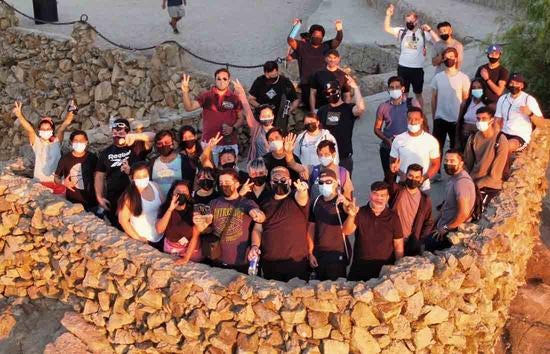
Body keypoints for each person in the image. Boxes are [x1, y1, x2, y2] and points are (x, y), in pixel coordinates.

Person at [249, 166, 310, 281]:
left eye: (283, 180)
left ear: (290, 181)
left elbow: (302, 198)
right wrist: (254, 246)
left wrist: (302, 191)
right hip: (270, 264)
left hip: (296, 263)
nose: (279, 182)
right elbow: (258, 229)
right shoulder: (265, 202)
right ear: (271, 182)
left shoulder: (295, 198)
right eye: (275, 180)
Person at [95, 118, 154, 228]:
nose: (117, 135)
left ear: (128, 132)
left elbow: (153, 137)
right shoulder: (106, 153)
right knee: (119, 227)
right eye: (115, 132)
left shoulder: (137, 147)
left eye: (121, 131)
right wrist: (99, 196)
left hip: (137, 195)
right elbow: (99, 175)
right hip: (115, 197)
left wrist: (135, 136)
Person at [206, 168, 265, 273]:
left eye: (227, 182)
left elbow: (257, 220)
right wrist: (201, 224)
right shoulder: (214, 203)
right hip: (217, 259)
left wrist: (257, 214)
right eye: (221, 183)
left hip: (241, 262)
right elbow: (205, 228)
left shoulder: (247, 203)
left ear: (237, 184)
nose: (223, 185)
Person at [181, 69, 244, 165]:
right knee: (209, 172)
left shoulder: (234, 98)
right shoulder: (206, 96)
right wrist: (185, 92)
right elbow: (189, 107)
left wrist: (233, 128)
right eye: (218, 79)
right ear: (215, 80)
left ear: (228, 80)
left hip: (229, 144)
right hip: (209, 143)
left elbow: (241, 118)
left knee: (229, 174)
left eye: (224, 79)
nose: (222, 81)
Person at [343, 181, 404, 281]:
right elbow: (346, 231)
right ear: (370, 195)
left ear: (388, 197)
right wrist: (351, 216)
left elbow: (398, 245)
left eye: (382, 195)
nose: (379, 198)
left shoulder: (393, 217)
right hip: (360, 270)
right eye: (376, 194)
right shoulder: (360, 213)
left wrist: (398, 267)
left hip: (384, 272)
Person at [12, 100, 76, 191]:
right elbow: (29, 129)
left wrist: (71, 112)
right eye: (43, 128)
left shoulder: (56, 142)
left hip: (57, 183)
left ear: (52, 130)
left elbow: (64, 126)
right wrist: (19, 115)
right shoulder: (36, 143)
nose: (45, 130)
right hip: (39, 184)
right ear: (39, 131)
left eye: (48, 128)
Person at [384, 4, 437, 106]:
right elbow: (387, 28)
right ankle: (403, 112)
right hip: (403, 68)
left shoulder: (423, 33)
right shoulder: (402, 32)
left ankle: (420, 113)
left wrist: (430, 30)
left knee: (418, 94)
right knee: (404, 93)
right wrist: (388, 15)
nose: (409, 23)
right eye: (407, 21)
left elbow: (436, 41)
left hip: (417, 69)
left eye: (411, 21)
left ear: (416, 21)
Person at [425, 150, 476, 252]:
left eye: (452, 161)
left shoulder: (462, 183)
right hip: (442, 224)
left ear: (461, 163)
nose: (448, 163)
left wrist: (446, 228)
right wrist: (437, 221)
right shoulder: (454, 178)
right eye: (446, 160)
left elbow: (464, 213)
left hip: (449, 231)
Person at [287, 19, 344, 111]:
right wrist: (296, 27)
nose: (317, 37)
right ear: (311, 35)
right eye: (315, 35)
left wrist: (339, 29)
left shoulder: (326, 46)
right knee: (312, 109)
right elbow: (290, 40)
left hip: (323, 86)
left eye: (320, 36)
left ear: (322, 37)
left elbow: (338, 39)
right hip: (307, 85)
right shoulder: (302, 46)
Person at [431, 47, 470, 176]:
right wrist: (434, 116)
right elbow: (434, 97)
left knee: (455, 147)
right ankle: (436, 172)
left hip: (456, 119)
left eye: (452, 57)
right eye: (447, 57)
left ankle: (456, 171)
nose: (449, 60)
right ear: (443, 59)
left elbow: (465, 98)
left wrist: (462, 117)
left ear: (456, 58)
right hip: (440, 117)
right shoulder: (438, 77)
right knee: (437, 147)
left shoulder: (463, 78)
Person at [307, 168, 352, 280]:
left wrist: (347, 204)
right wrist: (310, 252)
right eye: (321, 182)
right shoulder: (316, 201)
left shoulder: (341, 201)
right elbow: (311, 228)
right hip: (319, 254)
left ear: (336, 182)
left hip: (337, 254)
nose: (324, 185)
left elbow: (350, 209)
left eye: (328, 182)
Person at [317, 76, 366, 175]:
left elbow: (360, 108)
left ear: (339, 91)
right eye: (327, 93)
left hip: (344, 157)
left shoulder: (348, 108)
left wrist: (355, 88)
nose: (330, 94)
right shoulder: (322, 110)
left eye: (333, 92)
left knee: (345, 187)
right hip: (326, 156)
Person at [374, 76, 422, 174]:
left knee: (408, 175)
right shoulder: (383, 107)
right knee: (390, 177)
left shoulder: (412, 103)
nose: (394, 89)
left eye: (397, 87)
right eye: (392, 87)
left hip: (408, 146)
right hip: (388, 148)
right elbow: (377, 129)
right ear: (388, 90)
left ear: (403, 89)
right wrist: (388, 141)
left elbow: (422, 123)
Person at [385, 162, 433, 256]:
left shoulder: (425, 200)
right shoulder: (397, 190)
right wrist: (391, 172)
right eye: (410, 176)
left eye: (416, 177)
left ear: (421, 179)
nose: (413, 179)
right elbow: (387, 184)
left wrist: (420, 240)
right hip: (393, 239)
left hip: (412, 243)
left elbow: (429, 222)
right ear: (406, 175)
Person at [464, 107, 509, 207]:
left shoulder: (500, 140)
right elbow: (467, 164)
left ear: (492, 120)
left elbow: (495, 175)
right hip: (472, 181)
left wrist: (474, 186)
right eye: (478, 119)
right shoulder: (473, 138)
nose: (480, 121)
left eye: (484, 119)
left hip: (490, 185)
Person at [390, 107, 440, 191]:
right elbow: (392, 162)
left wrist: (424, 177)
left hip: (423, 186)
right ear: (406, 120)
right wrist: (400, 173)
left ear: (421, 120)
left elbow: (436, 164)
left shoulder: (431, 141)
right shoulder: (398, 140)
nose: (413, 122)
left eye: (416, 119)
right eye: (410, 119)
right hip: (402, 185)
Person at [118, 162, 164, 251]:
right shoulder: (129, 197)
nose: (142, 179)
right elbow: (123, 220)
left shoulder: (155, 186)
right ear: (133, 178)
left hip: (160, 236)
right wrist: (138, 238)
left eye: (145, 175)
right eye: (139, 177)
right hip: (144, 240)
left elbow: (162, 206)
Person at [495, 73, 545, 154]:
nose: (514, 85)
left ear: (522, 85)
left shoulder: (528, 100)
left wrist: (530, 114)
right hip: (504, 133)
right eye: (512, 83)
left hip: (520, 136)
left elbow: (542, 124)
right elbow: (497, 120)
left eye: (517, 83)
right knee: (489, 146)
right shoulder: (502, 99)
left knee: (505, 147)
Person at [156, 180, 203, 264]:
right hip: (171, 249)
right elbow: (159, 230)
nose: (181, 194)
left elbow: (195, 236)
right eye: (178, 192)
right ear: (172, 194)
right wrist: (170, 209)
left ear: (189, 195)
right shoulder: (165, 208)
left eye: (184, 192)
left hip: (191, 250)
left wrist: (186, 259)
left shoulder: (194, 210)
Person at [54, 130, 98, 212]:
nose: (79, 143)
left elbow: (99, 177)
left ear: (86, 142)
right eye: (76, 141)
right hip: (72, 203)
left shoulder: (92, 158)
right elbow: (56, 177)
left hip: (92, 203)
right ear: (71, 142)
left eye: (81, 140)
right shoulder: (65, 159)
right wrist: (63, 182)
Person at [248, 61, 299, 130]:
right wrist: (261, 107)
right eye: (268, 76)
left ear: (277, 71)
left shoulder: (285, 82)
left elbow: (295, 99)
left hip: (280, 117)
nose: (270, 78)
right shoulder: (259, 81)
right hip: (263, 116)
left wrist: (290, 109)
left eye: (273, 76)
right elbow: (251, 99)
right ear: (265, 73)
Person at [474, 44, 509, 109]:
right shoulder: (481, 68)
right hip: (480, 103)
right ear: (487, 55)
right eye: (491, 54)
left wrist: (487, 79)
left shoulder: (503, 71)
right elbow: (475, 86)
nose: (493, 56)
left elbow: (499, 91)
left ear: (500, 55)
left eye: (496, 54)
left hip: (495, 104)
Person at [456, 79, 486, 150]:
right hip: (465, 137)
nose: (476, 90)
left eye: (479, 87)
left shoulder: (486, 105)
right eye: (474, 88)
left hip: (479, 138)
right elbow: (459, 122)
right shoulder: (466, 103)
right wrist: (457, 140)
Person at [151, 130, 182, 198]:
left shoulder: (183, 160)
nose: (164, 145)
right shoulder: (152, 162)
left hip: (178, 204)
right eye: (160, 143)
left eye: (167, 142)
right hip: (159, 205)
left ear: (173, 143)